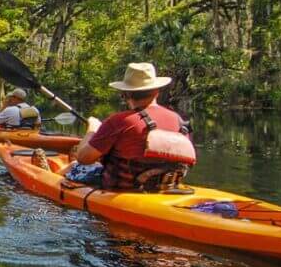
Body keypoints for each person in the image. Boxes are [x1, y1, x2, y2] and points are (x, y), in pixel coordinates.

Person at [72, 62, 196, 191]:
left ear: (126, 94)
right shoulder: (179, 121)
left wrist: (92, 129)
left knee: (73, 166)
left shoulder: (119, 121)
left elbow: (83, 158)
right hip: (167, 189)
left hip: (124, 191)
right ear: (157, 91)